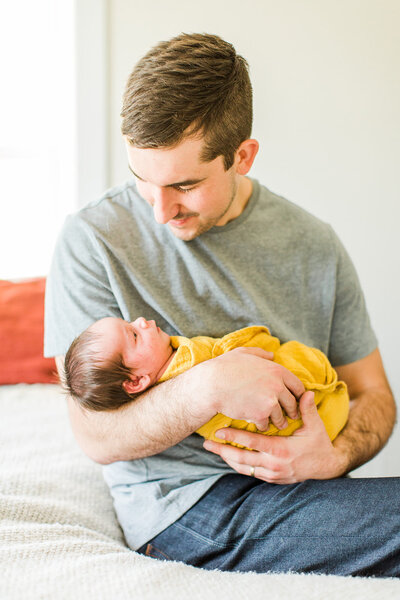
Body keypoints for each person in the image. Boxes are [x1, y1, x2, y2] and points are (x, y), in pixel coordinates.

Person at [44, 33, 399, 576]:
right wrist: (210, 385)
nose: (161, 211)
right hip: (189, 508)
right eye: (144, 181)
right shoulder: (92, 239)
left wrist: (334, 456)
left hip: (308, 491)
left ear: (243, 156)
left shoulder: (313, 244)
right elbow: (95, 434)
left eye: (184, 185)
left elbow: (375, 396)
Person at [62, 317, 349, 443]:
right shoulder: (188, 364)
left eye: (130, 323)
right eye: (134, 335)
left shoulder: (174, 357)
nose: (141, 321)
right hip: (302, 403)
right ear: (135, 382)